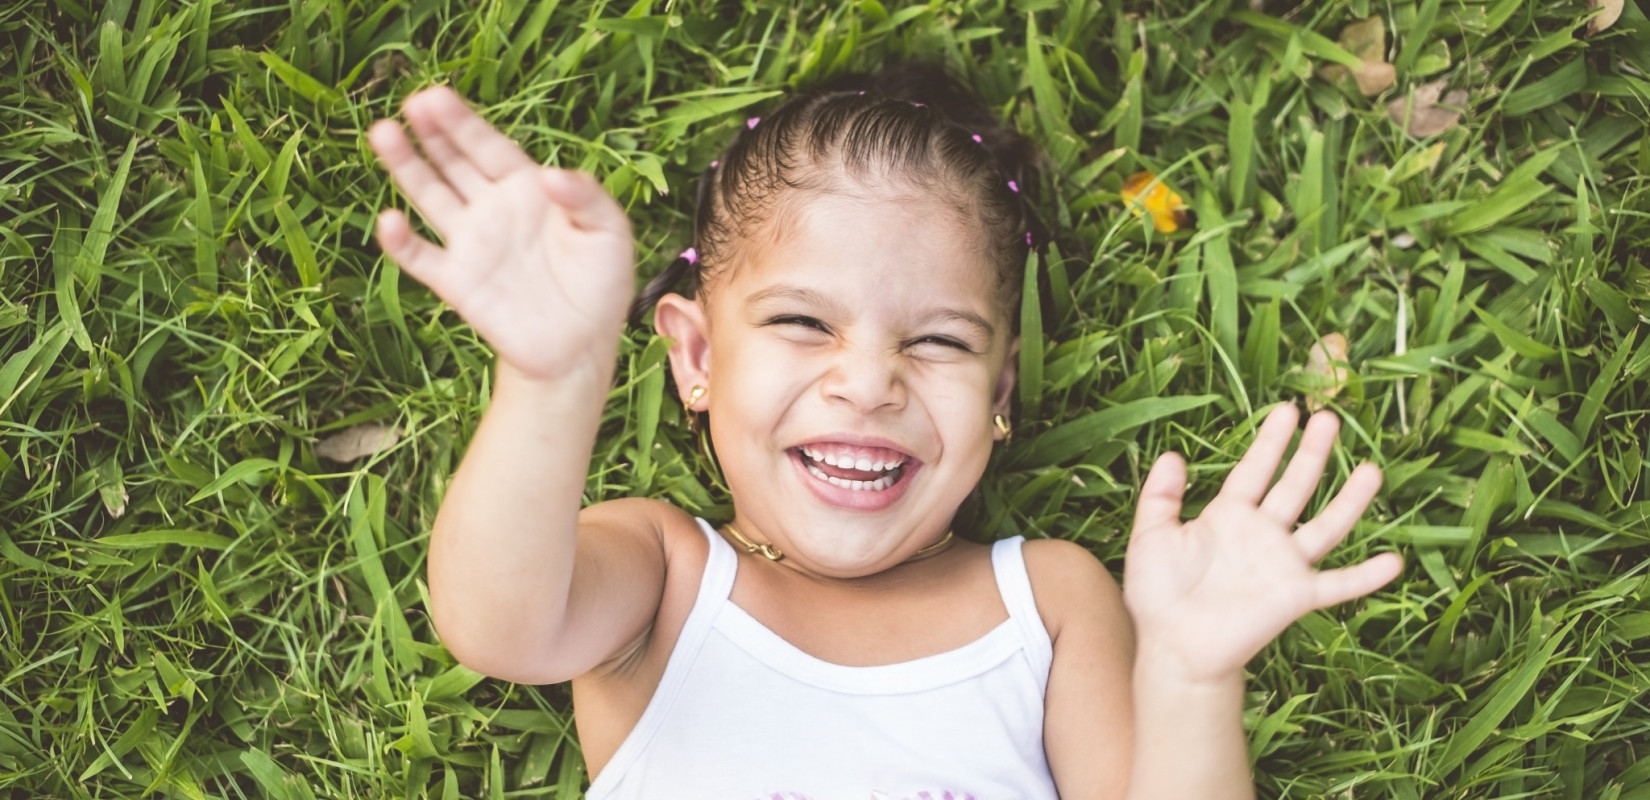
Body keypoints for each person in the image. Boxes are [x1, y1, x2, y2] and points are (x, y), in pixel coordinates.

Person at [365, 60, 1404, 800]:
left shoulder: (1047, 601)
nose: (868, 383)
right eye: (801, 322)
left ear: (999, 391)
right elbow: (498, 625)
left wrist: (1188, 677)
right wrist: (551, 380)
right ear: (696, 356)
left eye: (939, 342)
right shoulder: (666, 575)